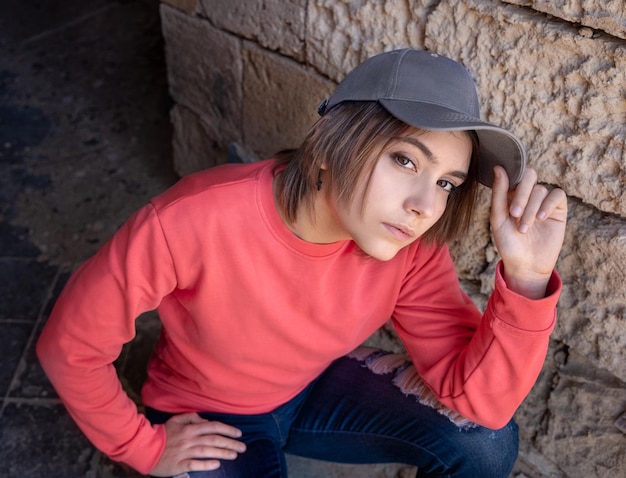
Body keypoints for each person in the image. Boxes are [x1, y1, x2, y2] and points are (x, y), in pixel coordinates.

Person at [37, 48, 567, 477]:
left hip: (317, 387)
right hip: (210, 410)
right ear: (328, 148)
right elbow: (69, 345)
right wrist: (143, 448)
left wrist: (526, 279)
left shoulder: (413, 247)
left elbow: (482, 402)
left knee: (485, 445)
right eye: (405, 160)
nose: (425, 206)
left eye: (446, 183)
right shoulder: (192, 218)